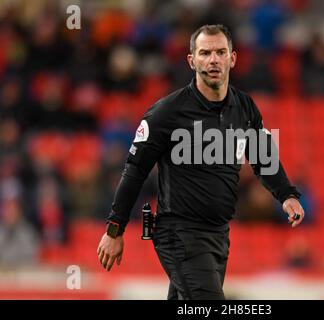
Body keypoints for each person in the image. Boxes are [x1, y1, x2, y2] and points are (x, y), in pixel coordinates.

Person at [97, 24, 305, 300]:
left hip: (218, 234)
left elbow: (262, 156)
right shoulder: (166, 113)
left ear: (232, 58)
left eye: (220, 52)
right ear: (191, 60)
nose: (213, 59)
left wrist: (286, 194)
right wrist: (115, 229)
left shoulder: (244, 108)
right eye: (205, 53)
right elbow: (134, 171)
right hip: (179, 233)